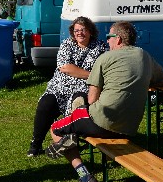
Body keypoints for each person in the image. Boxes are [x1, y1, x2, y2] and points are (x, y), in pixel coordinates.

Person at [46, 20, 163, 182]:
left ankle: (84, 176)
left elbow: (92, 99)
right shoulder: (144, 56)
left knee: (56, 128)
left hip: (102, 121)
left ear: (118, 39)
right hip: (128, 128)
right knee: (76, 123)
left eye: (109, 37)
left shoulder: (104, 58)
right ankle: (71, 137)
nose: (107, 41)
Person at [27, 16, 107, 157]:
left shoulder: (100, 46)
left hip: (83, 88)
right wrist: (91, 74)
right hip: (60, 86)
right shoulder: (67, 44)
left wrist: (86, 75)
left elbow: (103, 69)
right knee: (46, 104)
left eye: (83, 29)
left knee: (79, 103)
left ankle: (71, 139)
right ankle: (35, 144)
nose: (79, 33)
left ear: (90, 31)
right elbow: (65, 67)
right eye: (76, 30)